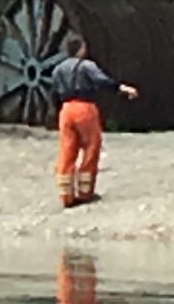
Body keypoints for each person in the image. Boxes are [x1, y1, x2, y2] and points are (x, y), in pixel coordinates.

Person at [44, 33, 137, 207]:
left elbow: (53, 94)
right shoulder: (86, 66)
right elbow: (101, 81)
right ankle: (85, 193)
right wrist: (121, 88)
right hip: (84, 108)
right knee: (90, 147)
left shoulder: (57, 70)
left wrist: (55, 113)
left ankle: (66, 196)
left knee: (67, 150)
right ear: (81, 49)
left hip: (66, 110)